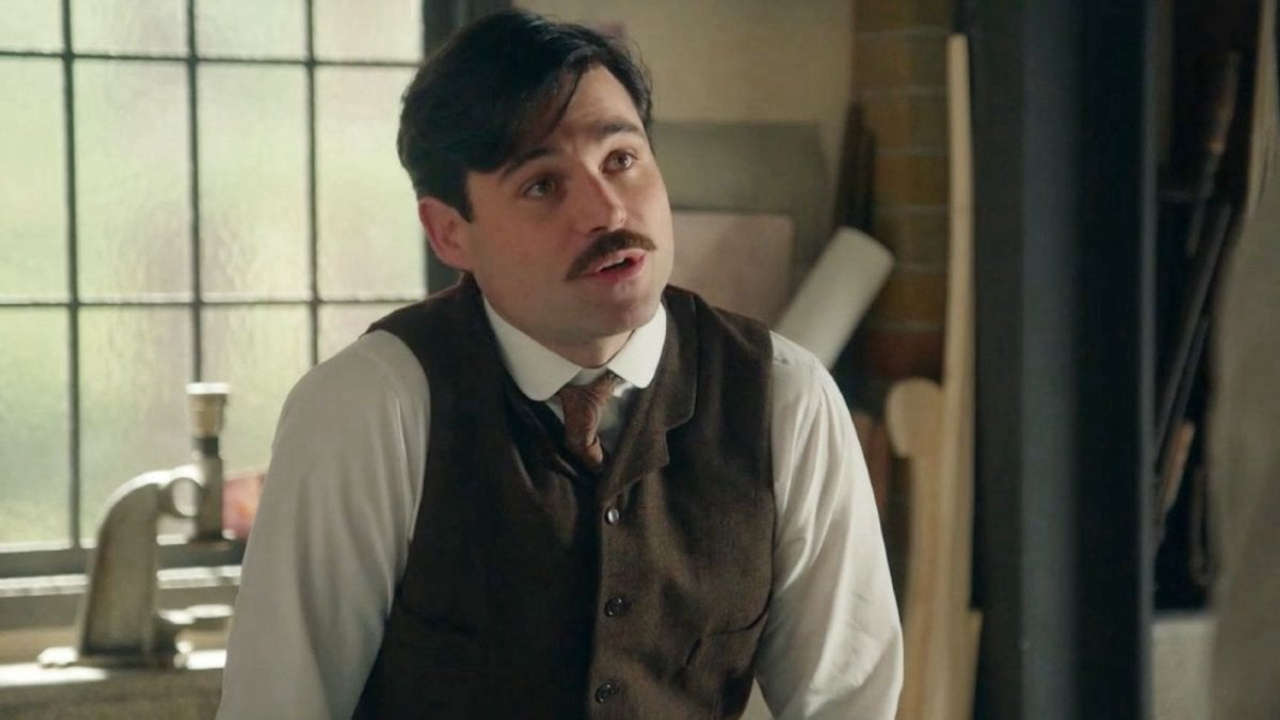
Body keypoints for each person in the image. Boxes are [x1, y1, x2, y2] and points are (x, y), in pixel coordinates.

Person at [217, 9, 901, 719]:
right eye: (543, 185)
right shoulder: (370, 409)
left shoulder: (784, 398)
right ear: (449, 233)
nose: (607, 211)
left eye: (621, 160)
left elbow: (848, 703)